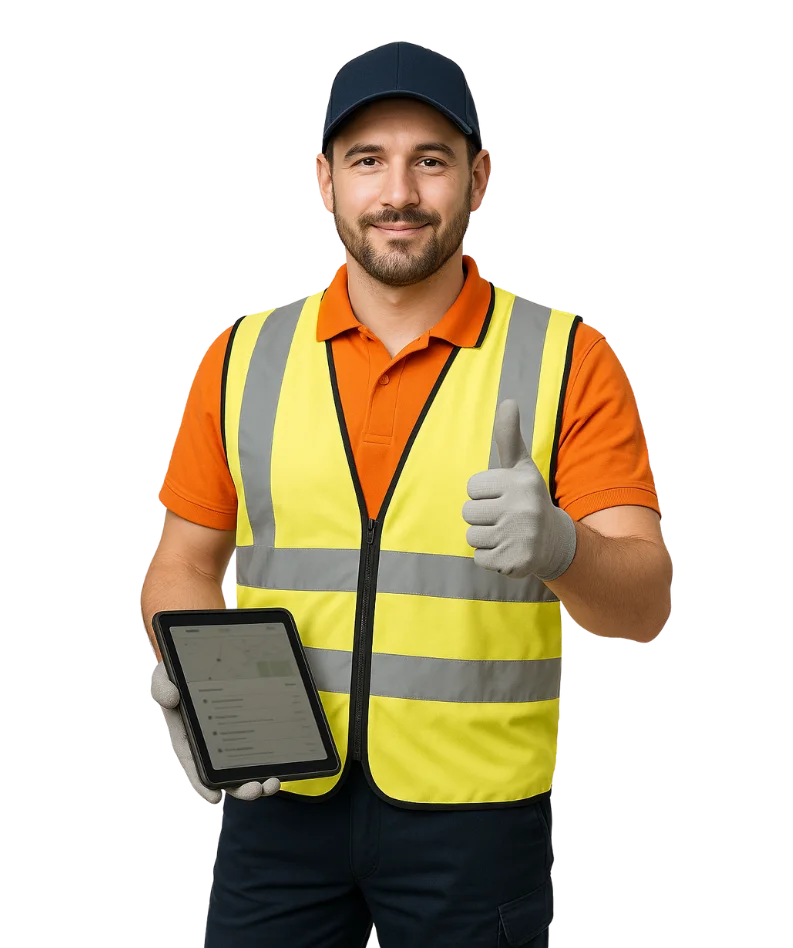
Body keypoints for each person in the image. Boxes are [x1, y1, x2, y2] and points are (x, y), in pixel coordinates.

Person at [141, 40, 672, 948]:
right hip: (277, 811)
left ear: (480, 179)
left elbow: (643, 608)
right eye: (366, 161)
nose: (398, 192)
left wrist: (562, 548)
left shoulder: (565, 358)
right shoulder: (241, 356)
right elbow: (184, 564)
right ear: (323, 181)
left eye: (430, 160)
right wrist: (186, 684)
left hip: (474, 825)